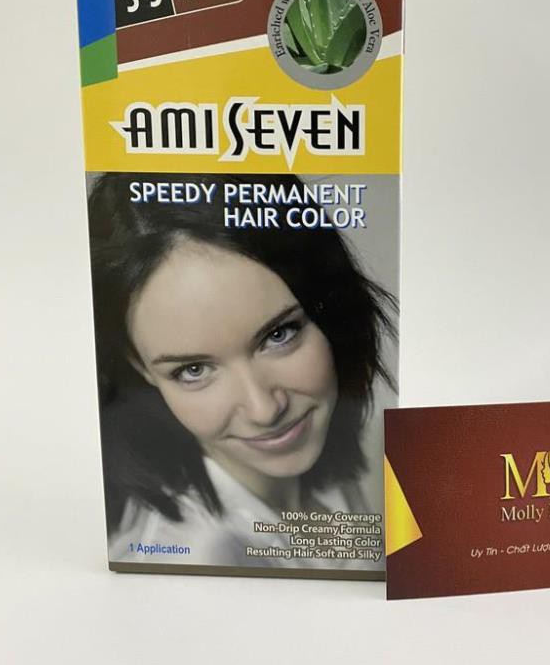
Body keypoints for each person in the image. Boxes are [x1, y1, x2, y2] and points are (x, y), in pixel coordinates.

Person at [87, 172, 396, 570]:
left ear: (328, 308)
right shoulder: (201, 552)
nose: (264, 410)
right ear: (139, 367)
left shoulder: (324, 467)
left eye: (280, 334)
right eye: (193, 369)